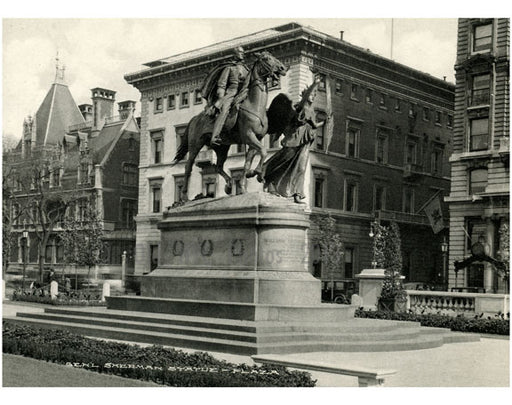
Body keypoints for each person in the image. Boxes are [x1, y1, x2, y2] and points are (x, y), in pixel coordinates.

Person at [263, 78, 328, 203]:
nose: (313, 97)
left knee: (301, 168)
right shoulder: (300, 107)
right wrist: (314, 84)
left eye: (315, 95)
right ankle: (267, 172)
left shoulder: (311, 111)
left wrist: (325, 122)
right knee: (283, 160)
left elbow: (314, 125)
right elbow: (304, 102)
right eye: (311, 94)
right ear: (305, 95)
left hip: (304, 143)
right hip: (294, 140)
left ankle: (297, 193)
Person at [203, 46, 249, 146]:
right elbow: (222, 83)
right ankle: (215, 136)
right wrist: (221, 97)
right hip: (231, 92)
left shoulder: (246, 69)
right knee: (224, 111)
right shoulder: (229, 67)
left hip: (243, 93)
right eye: (240, 52)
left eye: (243, 52)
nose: (242, 54)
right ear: (235, 54)